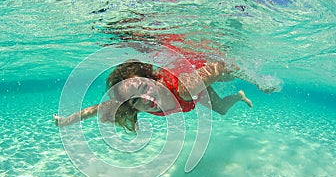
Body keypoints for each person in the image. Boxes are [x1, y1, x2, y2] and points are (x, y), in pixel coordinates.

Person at [54, 34, 279, 131]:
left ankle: (241, 90)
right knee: (221, 109)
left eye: (143, 88)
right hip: (193, 93)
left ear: (151, 78)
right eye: (135, 102)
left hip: (194, 81)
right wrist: (67, 121)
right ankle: (239, 96)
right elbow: (95, 110)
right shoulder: (135, 103)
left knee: (227, 73)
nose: (147, 100)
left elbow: (223, 65)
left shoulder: (184, 86)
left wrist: (258, 81)